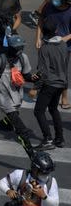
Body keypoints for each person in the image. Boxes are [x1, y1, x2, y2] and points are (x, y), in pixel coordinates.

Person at [0, 35, 39, 157]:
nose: (20, 50)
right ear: (9, 48)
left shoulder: (22, 58)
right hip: (3, 97)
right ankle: (33, 157)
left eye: (21, 47)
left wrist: (34, 79)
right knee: (22, 130)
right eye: (17, 48)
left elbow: (26, 76)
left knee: (9, 126)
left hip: (16, 97)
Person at [34, 14, 69, 150]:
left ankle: (47, 139)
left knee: (38, 111)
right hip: (62, 83)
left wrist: (36, 88)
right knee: (53, 109)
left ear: (44, 32)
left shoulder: (45, 48)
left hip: (50, 84)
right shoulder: (63, 45)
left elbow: (43, 71)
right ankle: (59, 139)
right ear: (56, 31)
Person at [36, 0, 71, 109]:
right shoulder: (49, 6)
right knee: (42, 68)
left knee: (61, 72)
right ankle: (40, 91)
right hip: (46, 42)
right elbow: (40, 20)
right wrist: (38, 38)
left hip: (63, 47)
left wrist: (63, 40)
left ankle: (64, 97)